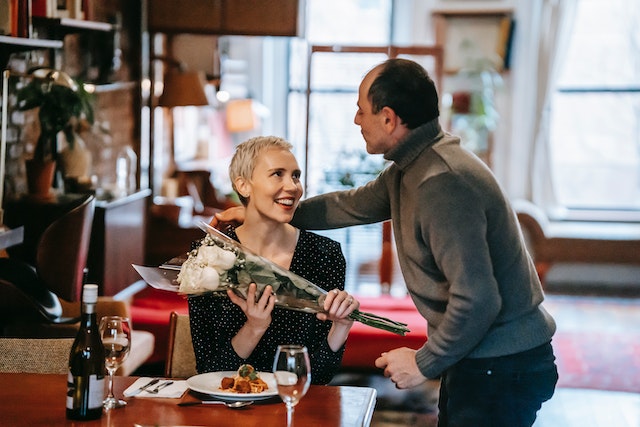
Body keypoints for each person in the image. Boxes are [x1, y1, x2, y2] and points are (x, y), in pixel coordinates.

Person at [212, 59, 558, 426]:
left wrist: (422, 362)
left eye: (361, 111)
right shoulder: (410, 169)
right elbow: (348, 205)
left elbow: (478, 299)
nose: (357, 120)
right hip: (479, 359)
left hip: (501, 365)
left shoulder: (441, 183)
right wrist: (262, 212)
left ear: (389, 119)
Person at [188, 135, 360, 385]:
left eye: (296, 175)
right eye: (277, 174)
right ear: (243, 186)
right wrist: (254, 327)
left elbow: (320, 378)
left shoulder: (325, 255)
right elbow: (208, 372)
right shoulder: (209, 257)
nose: (293, 186)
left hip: (296, 407)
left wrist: (341, 327)